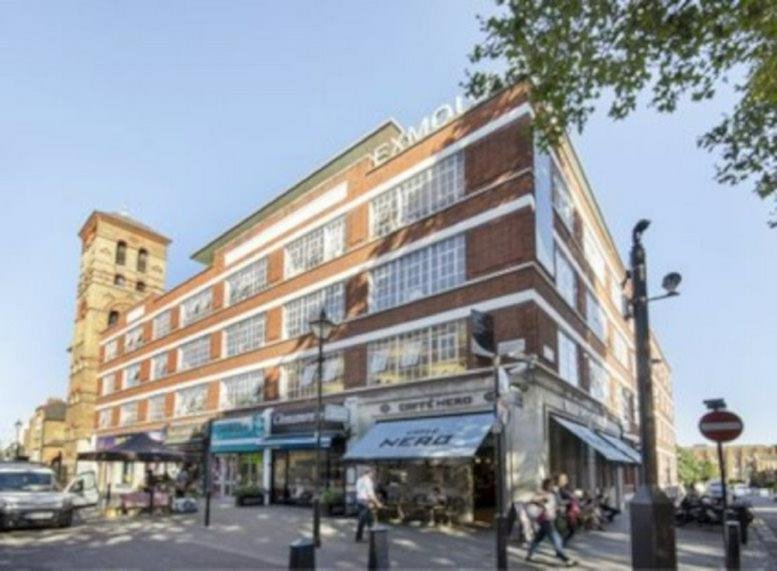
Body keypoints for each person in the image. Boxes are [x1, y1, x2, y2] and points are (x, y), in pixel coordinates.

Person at [526, 478, 576, 566]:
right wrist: (541, 502)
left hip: (549, 519)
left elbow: (558, 504)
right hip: (545, 519)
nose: (551, 487)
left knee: (538, 538)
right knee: (556, 539)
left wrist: (569, 501)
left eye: (552, 485)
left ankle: (529, 554)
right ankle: (564, 558)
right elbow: (533, 500)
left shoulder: (552, 494)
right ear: (545, 485)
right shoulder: (542, 493)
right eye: (550, 485)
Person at [355, 467, 383, 542]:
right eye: (373, 473)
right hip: (366, 502)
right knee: (369, 520)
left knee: (365, 519)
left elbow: (358, 491)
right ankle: (372, 537)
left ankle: (360, 537)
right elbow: (370, 494)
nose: (373, 475)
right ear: (369, 473)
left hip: (359, 501)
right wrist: (377, 503)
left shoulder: (359, 480)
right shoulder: (368, 481)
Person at [555, 473, 580, 545]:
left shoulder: (565, 489)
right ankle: (561, 543)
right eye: (563, 479)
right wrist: (570, 500)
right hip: (563, 512)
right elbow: (560, 502)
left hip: (569, 512)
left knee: (572, 529)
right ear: (559, 480)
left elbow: (570, 497)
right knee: (569, 529)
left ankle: (562, 542)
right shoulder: (558, 490)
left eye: (566, 479)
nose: (566, 481)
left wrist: (574, 497)